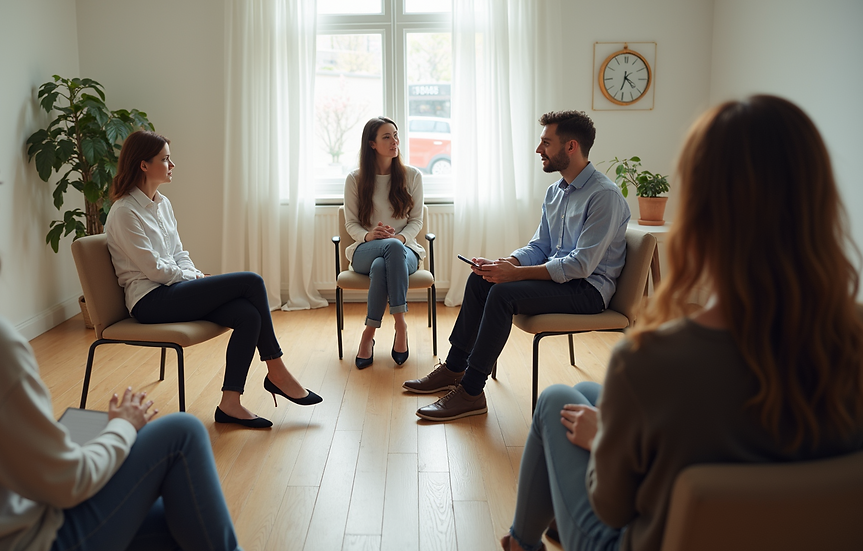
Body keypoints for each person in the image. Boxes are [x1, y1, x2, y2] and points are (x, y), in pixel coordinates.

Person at [501, 95, 863, 551]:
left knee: (557, 399)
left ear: (700, 214)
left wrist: (607, 442)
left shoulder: (652, 361)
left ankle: (521, 541)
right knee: (593, 396)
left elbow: (612, 505)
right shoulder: (851, 336)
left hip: (654, 540)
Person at [0, 114, 243, 551]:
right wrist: (122, 426)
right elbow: (68, 483)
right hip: (30, 539)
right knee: (182, 433)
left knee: (180, 521)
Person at [405, 110, 630, 421]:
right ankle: (455, 368)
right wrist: (505, 263)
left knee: (502, 294)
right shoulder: (556, 192)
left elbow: (581, 265)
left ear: (571, 147)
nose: (539, 150)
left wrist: (515, 275)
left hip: (589, 290)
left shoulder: (604, 196)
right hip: (563, 281)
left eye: (546, 143)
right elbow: (541, 247)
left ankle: (472, 392)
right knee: (482, 281)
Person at [105, 130, 321, 429]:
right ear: (143, 165)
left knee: (248, 315)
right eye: (165, 159)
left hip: (174, 290)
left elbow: (178, 252)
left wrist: (191, 275)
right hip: (149, 301)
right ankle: (277, 370)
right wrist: (194, 277)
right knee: (251, 281)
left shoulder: (162, 204)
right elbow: (153, 270)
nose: (172, 165)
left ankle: (230, 403)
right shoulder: (124, 212)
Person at [344, 116, 425, 369]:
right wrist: (370, 236)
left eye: (396, 135)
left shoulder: (412, 176)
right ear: (372, 144)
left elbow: (416, 222)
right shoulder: (355, 179)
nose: (395, 141)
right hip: (365, 249)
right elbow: (351, 225)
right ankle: (401, 324)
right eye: (387, 137)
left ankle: (368, 334)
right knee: (387, 250)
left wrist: (399, 237)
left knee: (384, 262)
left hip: (405, 250)